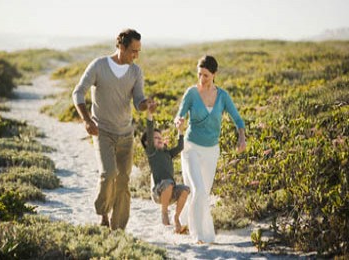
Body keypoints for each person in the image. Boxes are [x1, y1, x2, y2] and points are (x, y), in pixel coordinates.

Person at [72, 28, 152, 230]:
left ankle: (118, 228)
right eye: (133, 50)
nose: (136, 55)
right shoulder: (99, 66)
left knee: (123, 181)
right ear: (121, 47)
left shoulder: (136, 71)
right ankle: (103, 211)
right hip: (103, 131)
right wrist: (87, 120)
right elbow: (78, 93)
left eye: (139, 51)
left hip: (125, 134)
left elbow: (138, 101)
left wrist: (146, 104)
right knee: (108, 174)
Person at [174, 55, 246, 243]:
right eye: (199, 74)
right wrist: (179, 121)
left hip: (211, 150)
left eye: (206, 75)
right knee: (197, 190)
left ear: (214, 74)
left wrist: (242, 138)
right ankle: (199, 235)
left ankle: (182, 221)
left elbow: (238, 119)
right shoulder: (191, 93)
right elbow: (179, 114)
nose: (202, 79)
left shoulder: (223, 96)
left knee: (202, 194)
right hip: (191, 148)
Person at [141, 100, 190, 234]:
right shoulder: (152, 152)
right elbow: (150, 130)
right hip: (158, 192)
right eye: (156, 138)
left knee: (185, 189)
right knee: (168, 183)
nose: (160, 139)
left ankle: (176, 217)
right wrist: (150, 114)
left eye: (160, 137)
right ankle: (164, 213)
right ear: (149, 142)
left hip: (170, 190)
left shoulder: (167, 153)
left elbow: (180, 147)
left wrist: (180, 131)